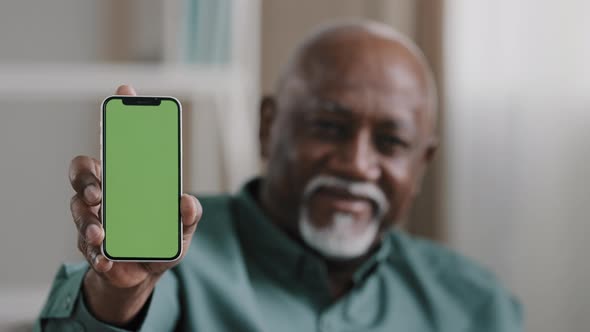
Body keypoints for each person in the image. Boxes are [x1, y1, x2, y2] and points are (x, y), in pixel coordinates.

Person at [36, 21, 522, 331]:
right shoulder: (181, 251)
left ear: (422, 165)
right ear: (269, 126)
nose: (356, 163)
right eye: (329, 127)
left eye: (390, 142)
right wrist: (121, 293)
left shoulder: (475, 303)